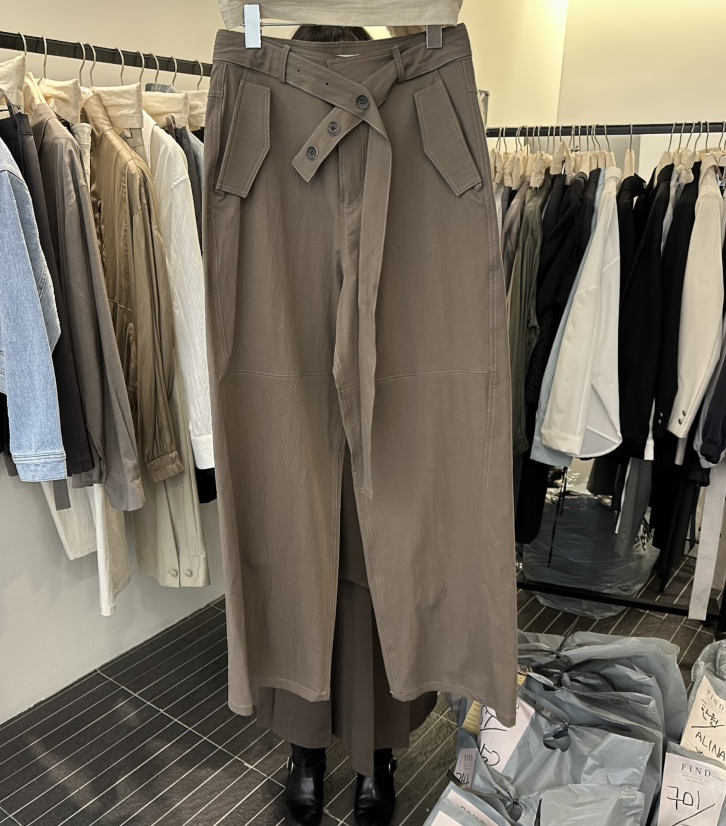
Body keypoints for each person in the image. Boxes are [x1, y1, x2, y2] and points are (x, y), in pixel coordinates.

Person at [249, 28, 439, 826]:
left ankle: (377, 753)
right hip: (296, 338)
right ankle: (305, 747)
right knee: (301, 552)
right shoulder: (269, 126)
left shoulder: (405, 123)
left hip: (385, 384)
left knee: (377, 569)